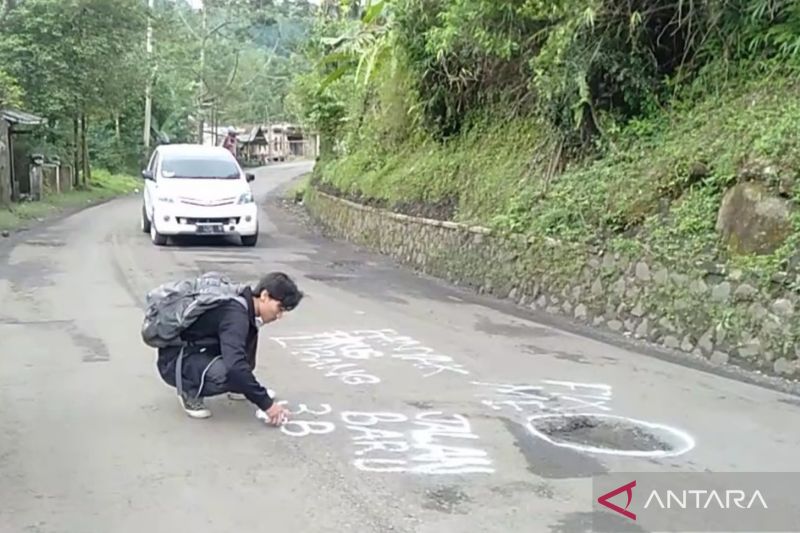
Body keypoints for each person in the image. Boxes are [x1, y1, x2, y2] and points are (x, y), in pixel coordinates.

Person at [154, 272, 303, 425]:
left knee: (246, 340)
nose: (279, 316)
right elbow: (236, 367)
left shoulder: (244, 303)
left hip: (197, 352)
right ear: (264, 295)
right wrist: (267, 405)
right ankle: (189, 391)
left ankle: (239, 386)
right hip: (175, 363)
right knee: (230, 371)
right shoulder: (235, 314)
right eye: (280, 308)